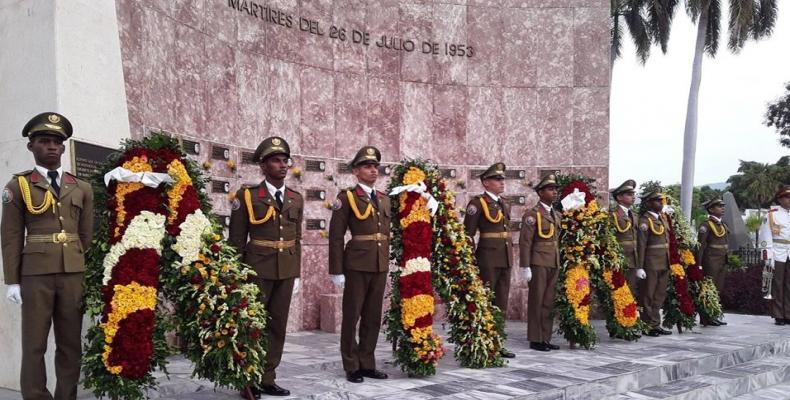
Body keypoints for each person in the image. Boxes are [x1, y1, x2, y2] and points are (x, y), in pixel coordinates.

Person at [2, 112, 94, 400]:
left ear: (64, 148)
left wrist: (80, 266)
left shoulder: (81, 187)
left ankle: (66, 397)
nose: (52, 146)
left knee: (70, 345)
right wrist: (12, 281)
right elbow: (11, 236)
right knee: (35, 344)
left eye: (57, 142)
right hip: (36, 275)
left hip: (72, 274)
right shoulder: (18, 186)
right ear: (31, 147)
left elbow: (86, 234)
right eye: (44, 141)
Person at [229, 136, 303, 398]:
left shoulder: (296, 198)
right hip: (256, 270)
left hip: (285, 270)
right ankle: (247, 379)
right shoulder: (247, 196)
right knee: (253, 325)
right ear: (263, 166)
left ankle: (267, 376)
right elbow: (236, 240)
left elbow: (297, 238)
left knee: (277, 325)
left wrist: (297, 274)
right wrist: (235, 277)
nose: (283, 165)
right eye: (276, 161)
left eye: (285, 160)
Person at [328, 146, 391, 383]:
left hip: (379, 263)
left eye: (375, 166)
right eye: (367, 166)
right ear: (356, 171)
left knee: (373, 316)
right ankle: (351, 364)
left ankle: (367, 362)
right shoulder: (347, 198)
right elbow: (336, 236)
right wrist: (337, 270)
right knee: (352, 315)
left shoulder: (384, 200)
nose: (373, 170)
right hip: (356, 264)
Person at [463, 162, 515, 358]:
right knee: (485, 302)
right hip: (487, 258)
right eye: (497, 179)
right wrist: (469, 261)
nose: (502, 182)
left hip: (504, 257)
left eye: (502, 179)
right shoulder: (477, 204)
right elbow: (467, 234)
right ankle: (482, 342)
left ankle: (497, 342)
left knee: (501, 302)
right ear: (486, 183)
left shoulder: (503, 203)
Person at [519, 174, 561, 352]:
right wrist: (526, 266)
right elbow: (525, 241)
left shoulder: (556, 214)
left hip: (553, 260)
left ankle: (546, 337)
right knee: (537, 300)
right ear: (540, 193)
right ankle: (536, 338)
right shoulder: (532, 215)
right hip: (538, 261)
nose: (554, 192)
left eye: (555, 189)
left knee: (549, 301)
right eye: (550, 189)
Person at [636, 191, 672, 337]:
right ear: (649, 203)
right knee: (648, 295)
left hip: (664, 261)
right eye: (657, 201)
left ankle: (655, 324)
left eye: (661, 200)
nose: (661, 203)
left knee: (659, 295)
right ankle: (647, 325)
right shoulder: (645, 221)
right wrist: (640, 266)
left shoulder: (662, 219)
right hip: (651, 263)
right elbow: (641, 245)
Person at [759, 184, 790, 326]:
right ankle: (779, 315)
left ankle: (788, 313)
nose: (789, 200)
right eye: (787, 197)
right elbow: (765, 237)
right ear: (780, 199)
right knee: (777, 284)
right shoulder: (772, 214)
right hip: (777, 251)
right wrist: (767, 257)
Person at [697, 198, 729, 326]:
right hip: (710, 261)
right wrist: (698, 264)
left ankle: (714, 314)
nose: (722, 208)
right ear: (711, 209)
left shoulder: (722, 224)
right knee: (709, 289)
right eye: (718, 206)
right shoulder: (706, 225)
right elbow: (701, 245)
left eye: (722, 206)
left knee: (717, 289)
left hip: (721, 260)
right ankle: (706, 317)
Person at [610, 180, 642, 295]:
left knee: (632, 291)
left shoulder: (634, 215)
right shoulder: (613, 215)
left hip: (634, 259)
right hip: (621, 259)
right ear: (619, 197)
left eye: (633, 194)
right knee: (619, 292)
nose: (633, 197)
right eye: (629, 194)